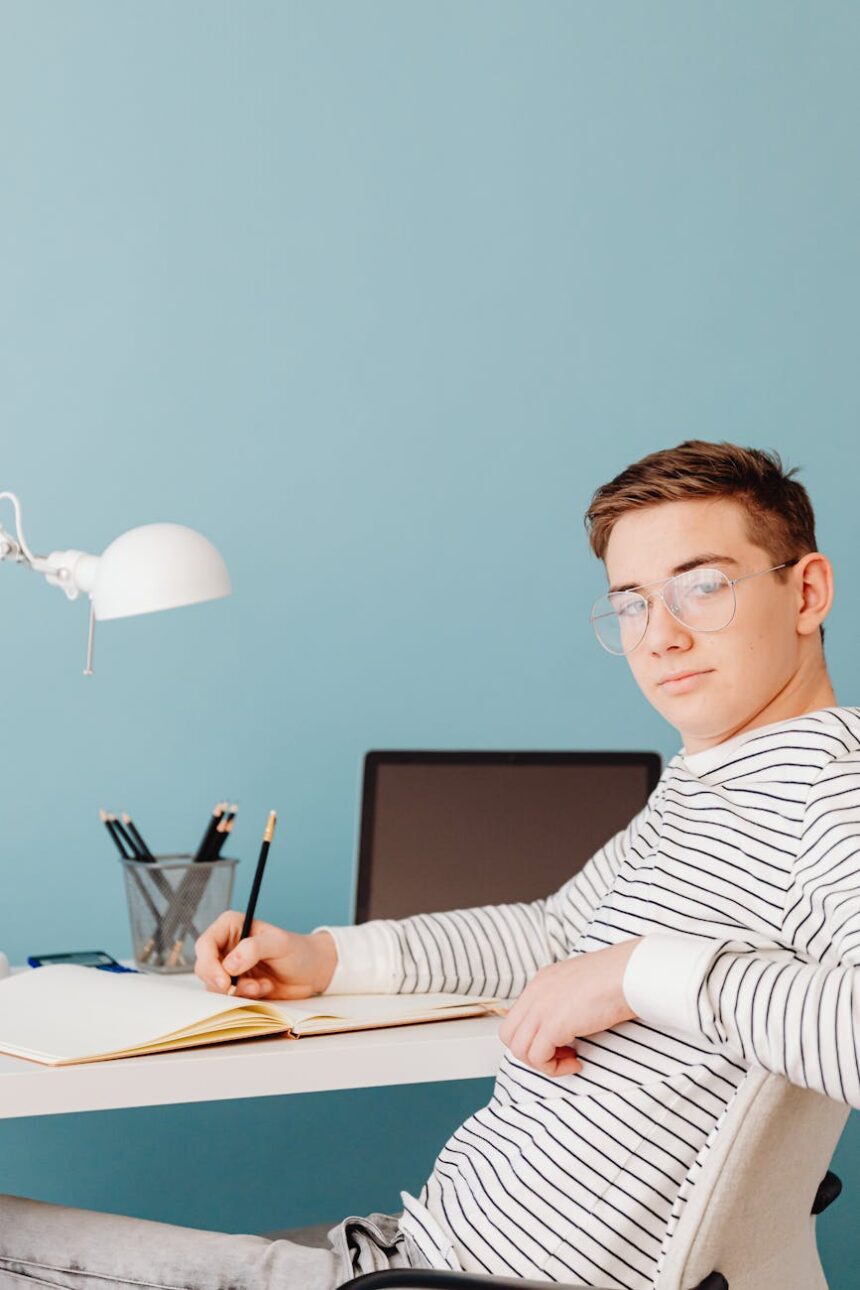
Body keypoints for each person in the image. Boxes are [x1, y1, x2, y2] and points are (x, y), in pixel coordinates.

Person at [2, 439, 858, 1290]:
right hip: (411, 1254)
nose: (660, 637)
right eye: (631, 604)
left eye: (703, 586)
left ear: (807, 592)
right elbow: (556, 932)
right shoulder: (717, 784)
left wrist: (637, 973)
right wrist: (331, 957)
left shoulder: (833, 786)